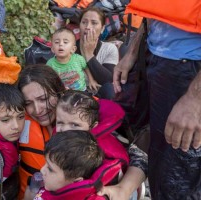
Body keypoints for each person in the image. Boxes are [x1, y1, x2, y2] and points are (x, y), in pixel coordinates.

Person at [0, 64, 147, 200]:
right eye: (29, 103)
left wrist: (123, 189)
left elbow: (141, 154)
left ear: (60, 92)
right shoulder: (19, 120)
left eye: (44, 99)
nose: (38, 109)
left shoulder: (83, 115)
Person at [113, 1, 201, 199]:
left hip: (190, 71)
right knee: (159, 170)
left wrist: (196, 98)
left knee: (178, 182)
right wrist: (134, 50)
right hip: (155, 56)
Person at [36, 130, 104, 199]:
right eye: (45, 163)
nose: (42, 170)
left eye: (50, 169)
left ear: (76, 182)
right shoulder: (51, 186)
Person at [76, 7, 119, 99]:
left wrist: (88, 54)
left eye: (94, 23)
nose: (88, 27)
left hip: (98, 95)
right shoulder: (69, 48)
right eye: (84, 22)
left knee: (110, 89)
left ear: (102, 28)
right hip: (75, 93)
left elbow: (108, 80)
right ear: (79, 25)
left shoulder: (109, 49)